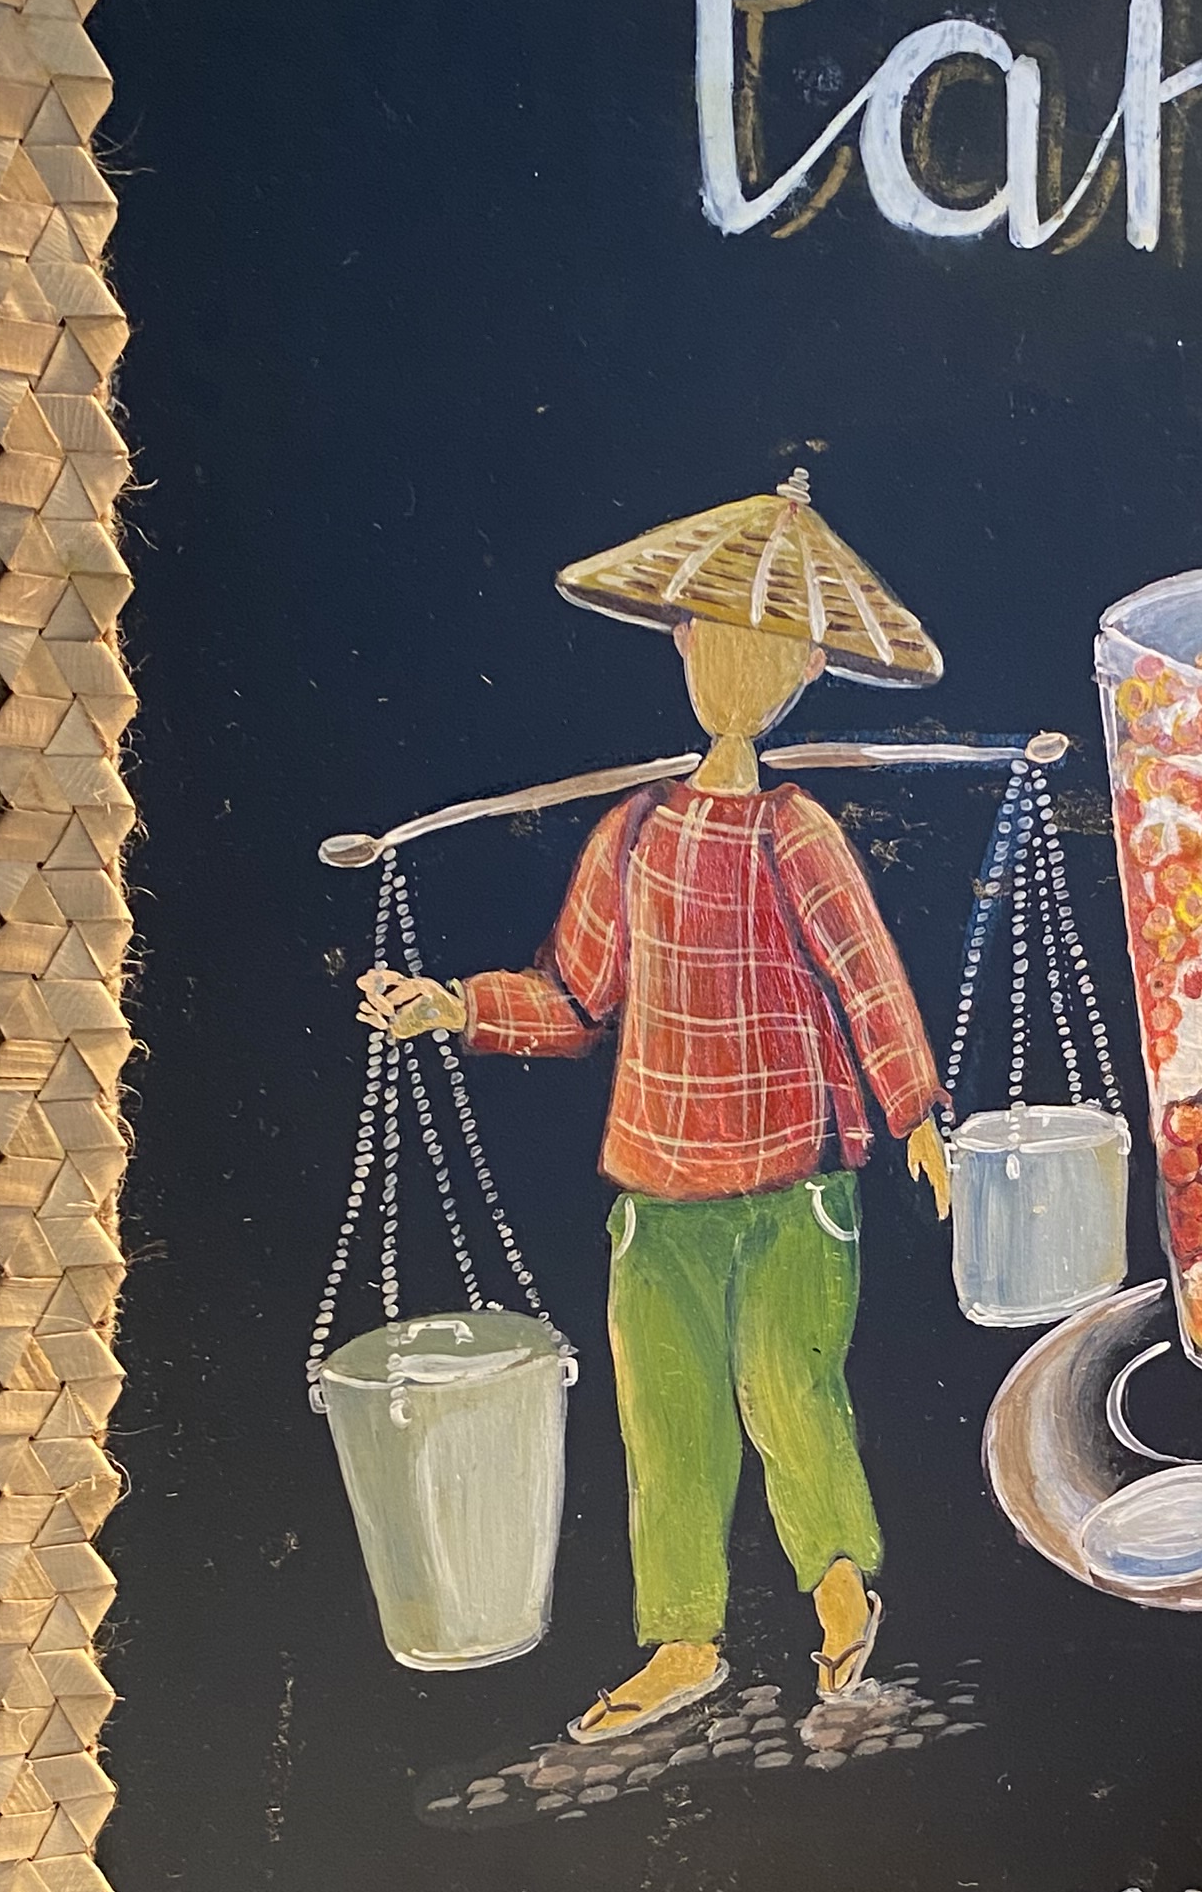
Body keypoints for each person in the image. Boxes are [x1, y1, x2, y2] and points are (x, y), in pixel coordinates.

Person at [362, 475, 950, 1744]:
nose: (740, 672)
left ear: (804, 670)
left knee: (790, 1392)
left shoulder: (799, 832)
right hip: (658, 1187)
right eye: (718, 643)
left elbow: (870, 978)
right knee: (668, 1423)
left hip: (794, 1185)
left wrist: (915, 1114)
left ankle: (839, 1592)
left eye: (769, 653)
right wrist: (452, 1006)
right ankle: (683, 1645)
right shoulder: (633, 834)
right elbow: (576, 997)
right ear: (683, 644)